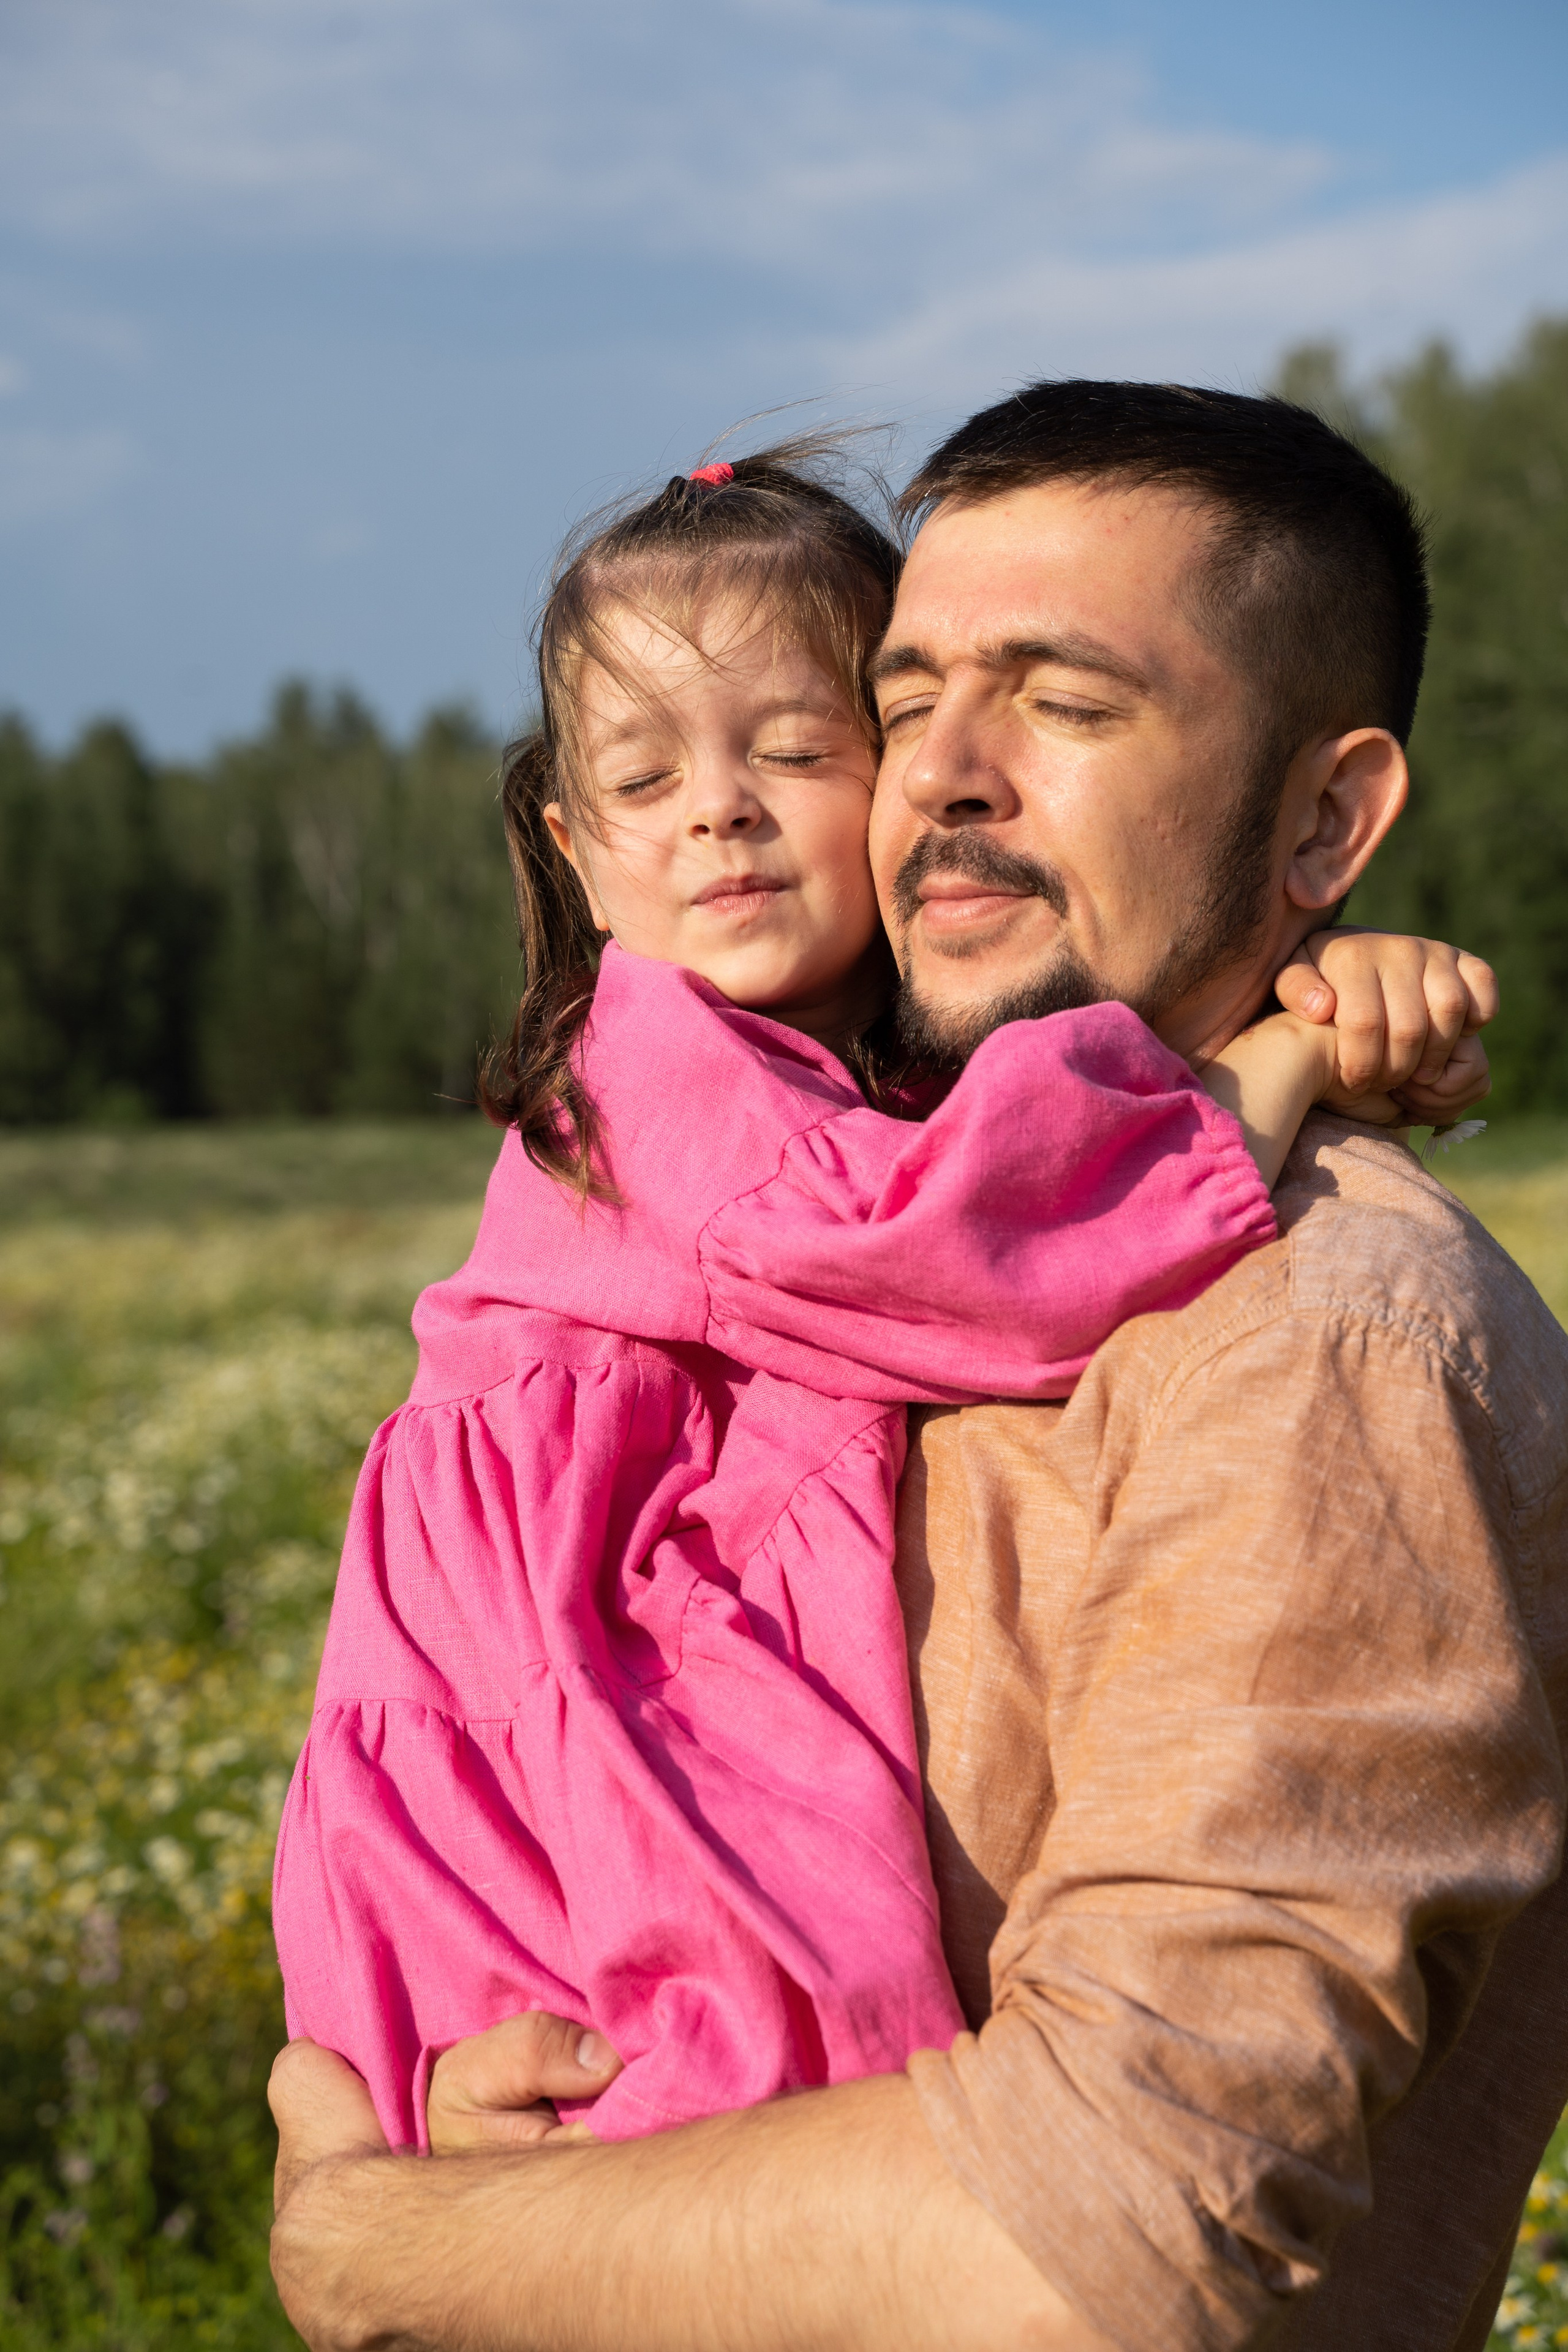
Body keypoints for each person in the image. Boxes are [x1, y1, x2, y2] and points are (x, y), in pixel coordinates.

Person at [268, 384, 1568, 2352]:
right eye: (900, 704)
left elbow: (1121, 2240)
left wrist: (393, 2253)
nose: (933, 780)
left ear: (1325, 820)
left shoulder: (1321, 1332)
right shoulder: (826, 1192)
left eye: (1064, 703)